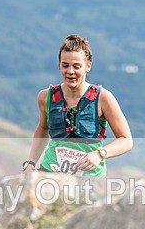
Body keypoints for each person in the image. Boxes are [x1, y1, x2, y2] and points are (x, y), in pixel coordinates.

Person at [21, 35, 132, 178]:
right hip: (50, 175)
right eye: (65, 65)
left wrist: (100, 154)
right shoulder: (45, 97)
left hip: (90, 181)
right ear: (59, 65)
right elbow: (43, 128)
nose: (70, 71)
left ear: (88, 66)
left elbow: (126, 140)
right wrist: (31, 163)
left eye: (76, 66)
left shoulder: (103, 98)